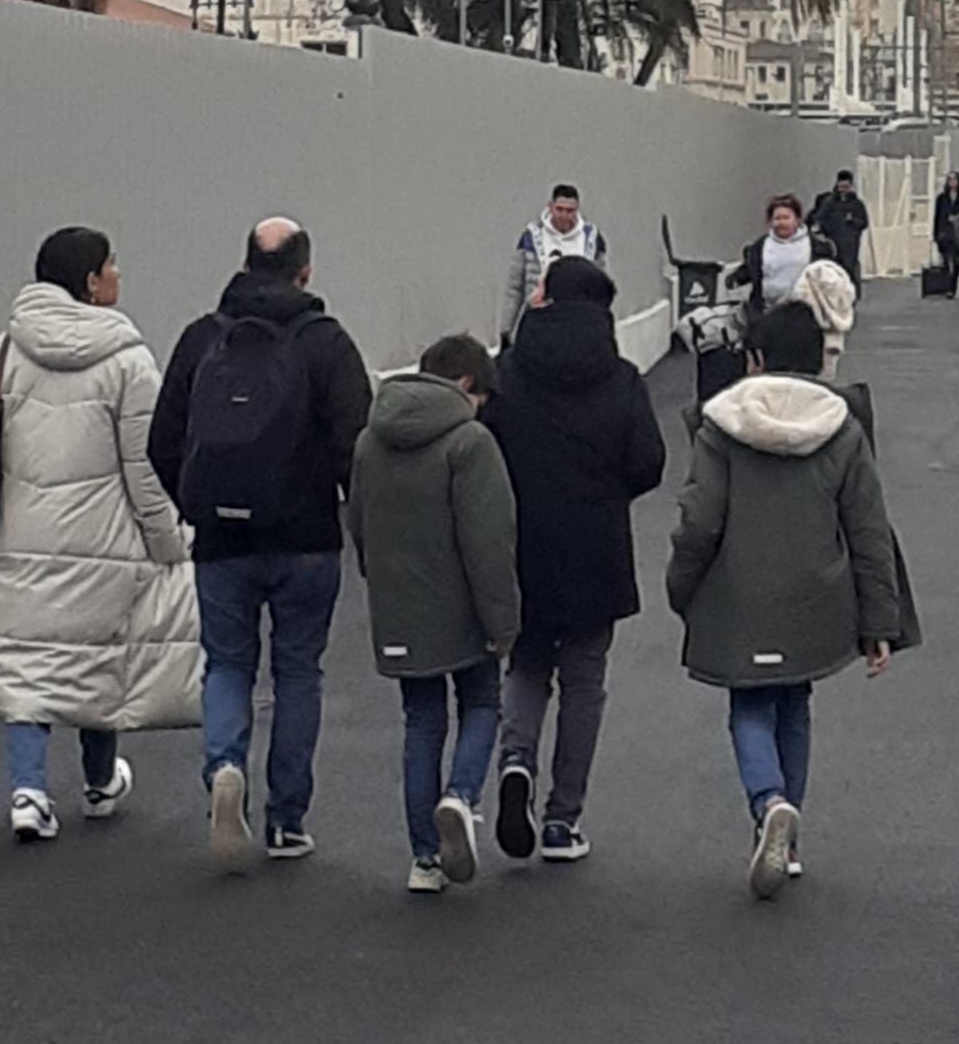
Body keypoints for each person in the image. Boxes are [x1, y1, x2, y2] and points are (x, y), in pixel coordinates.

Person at [0, 227, 199, 845]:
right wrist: (168, 540)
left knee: (25, 666)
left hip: (19, 536)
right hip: (106, 541)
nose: (119, 273)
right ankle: (98, 783)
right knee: (97, 659)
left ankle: (28, 792)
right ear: (91, 282)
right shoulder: (128, 359)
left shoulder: (4, 352)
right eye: (112, 265)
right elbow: (145, 466)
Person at [149, 218, 372, 865]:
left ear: (245, 264)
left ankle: (224, 766)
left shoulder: (202, 339)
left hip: (220, 539)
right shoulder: (326, 343)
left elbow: (163, 440)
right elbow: (355, 444)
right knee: (298, 672)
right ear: (305, 270)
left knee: (227, 664)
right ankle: (287, 821)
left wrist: (195, 506)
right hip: (305, 539)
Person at [666, 301, 903, 899]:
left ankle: (767, 801)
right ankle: (787, 841)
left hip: (739, 591)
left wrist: (682, 587)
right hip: (815, 594)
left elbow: (700, 521)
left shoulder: (722, 426)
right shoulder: (843, 428)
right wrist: (880, 620)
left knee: (749, 704)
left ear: (756, 358)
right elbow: (869, 528)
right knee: (794, 702)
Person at [486, 256, 666, 861]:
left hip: (524, 542)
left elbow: (486, 449)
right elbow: (648, 463)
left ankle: (515, 762)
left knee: (527, 665)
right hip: (595, 546)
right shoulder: (620, 378)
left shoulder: (508, 373)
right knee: (585, 682)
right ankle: (563, 820)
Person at [348, 334, 520, 895]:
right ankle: (461, 795)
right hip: (462, 606)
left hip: (399, 604)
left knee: (421, 722)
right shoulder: (471, 443)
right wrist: (502, 622)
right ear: (469, 384)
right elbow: (488, 541)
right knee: (482, 702)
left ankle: (424, 859)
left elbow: (360, 525)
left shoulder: (370, 440)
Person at [501, 183, 608, 344]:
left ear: (577, 210)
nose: (564, 216)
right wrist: (506, 329)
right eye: (560, 209)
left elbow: (602, 288)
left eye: (570, 211)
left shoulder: (592, 240)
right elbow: (514, 288)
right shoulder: (531, 238)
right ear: (551, 207)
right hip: (538, 321)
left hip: (579, 323)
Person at [728, 194, 835, 313]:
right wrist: (734, 279)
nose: (782, 222)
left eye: (786, 217)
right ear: (770, 221)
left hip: (806, 313)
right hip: (767, 312)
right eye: (777, 218)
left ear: (797, 219)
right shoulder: (761, 245)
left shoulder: (816, 247)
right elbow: (751, 269)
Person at [809, 171, 870, 291]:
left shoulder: (857, 204)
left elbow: (864, 223)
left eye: (846, 187)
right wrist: (822, 232)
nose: (843, 190)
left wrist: (853, 221)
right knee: (834, 271)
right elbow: (819, 219)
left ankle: (851, 295)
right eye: (841, 187)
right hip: (833, 244)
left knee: (850, 270)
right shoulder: (829, 203)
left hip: (851, 245)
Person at [934, 172, 959, 299]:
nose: (952, 181)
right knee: (946, 262)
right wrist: (935, 234)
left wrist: (958, 218)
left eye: (954, 179)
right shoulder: (941, 198)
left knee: (956, 262)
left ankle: (953, 287)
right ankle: (947, 288)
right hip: (945, 233)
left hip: (958, 233)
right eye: (949, 179)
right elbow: (937, 217)